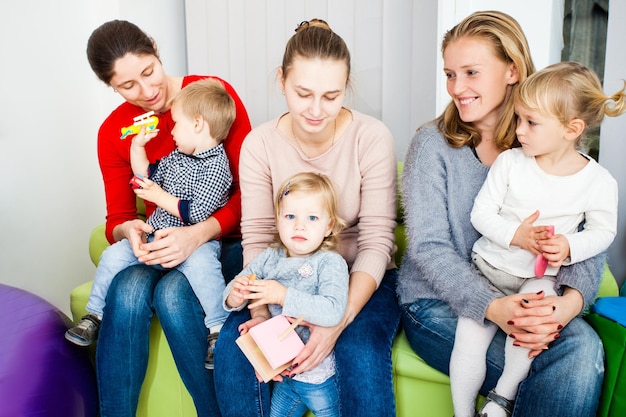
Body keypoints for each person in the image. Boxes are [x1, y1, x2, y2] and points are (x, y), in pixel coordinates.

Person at [397, 10, 608, 417]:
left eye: (471, 72)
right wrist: (492, 306)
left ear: (512, 70)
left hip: (525, 294)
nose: (457, 88)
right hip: (437, 304)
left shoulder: (547, 143)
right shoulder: (432, 145)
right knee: (561, 365)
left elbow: (586, 237)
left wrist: (567, 306)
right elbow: (429, 246)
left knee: (582, 344)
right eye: (450, 74)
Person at [214, 18, 401, 417]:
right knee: (236, 354)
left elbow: (377, 241)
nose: (316, 110)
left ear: (346, 87)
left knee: (360, 350)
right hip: (282, 278)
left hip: (358, 277)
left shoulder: (372, 137)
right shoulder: (260, 144)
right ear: (281, 81)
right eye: (303, 93)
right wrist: (262, 316)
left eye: (331, 96)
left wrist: (336, 321)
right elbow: (259, 238)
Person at [84, 20, 251, 417]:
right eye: (128, 87)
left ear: (156, 52)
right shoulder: (114, 133)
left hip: (220, 241)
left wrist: (198, 234)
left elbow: (251, 191)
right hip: (161, 238)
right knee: (125, 291)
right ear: (111, 87)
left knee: (173, 295)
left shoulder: (210, 96)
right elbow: (119, 217)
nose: (147, 92)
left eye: (148, 72)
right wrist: (130, 232)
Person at [450, 61, 623, 417]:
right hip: (488, 271)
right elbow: (481, 215)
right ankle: (463, 412)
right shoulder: (511, 163)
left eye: (531, 122)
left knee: (529, 335)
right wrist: (518, 235)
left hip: (537, 278)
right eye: (518, 119)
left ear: (571, 129)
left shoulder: (599, 182)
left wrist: (570, 246)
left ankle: (502, 398)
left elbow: (603, 232)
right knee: (468, 340)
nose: (519, 131)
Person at [66, 78, 235, 368]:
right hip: (155, 238)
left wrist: (159, 196)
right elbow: (146, 174)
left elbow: (197, 213)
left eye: (176, 124)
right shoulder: (177, 157)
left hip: (194, 245)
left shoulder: (218, 167)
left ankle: (218, 329)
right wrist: (137, 146)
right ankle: (94, 316)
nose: (171, 131)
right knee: (113, 255)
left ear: (197, 124)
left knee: (205, 269)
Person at [224, 172, 349, 417]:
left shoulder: (330, 262)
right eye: (290, 216)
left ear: (329, 226)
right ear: (278, 220)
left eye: (312, 217)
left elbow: (333, 310)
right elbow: (236, 286)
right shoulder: (270, 257)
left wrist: (282, 296)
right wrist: (236, 295)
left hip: (318, 377)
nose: (299, 225)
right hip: (283, 372)